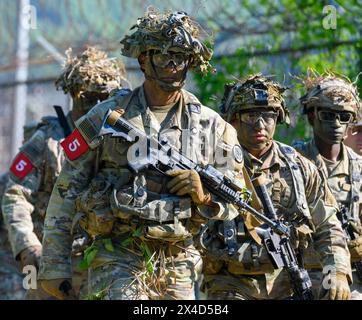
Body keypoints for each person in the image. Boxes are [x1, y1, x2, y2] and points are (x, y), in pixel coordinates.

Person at [38, 9, 243, 300]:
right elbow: (68, 187)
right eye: (163, 55)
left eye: (180, 56)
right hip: (117, 254)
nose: (172, 64)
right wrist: (54, 264)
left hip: (179, 259)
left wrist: (204, 196)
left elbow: (237, 199)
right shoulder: (106, 116)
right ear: (144, 60)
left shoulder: (213, 126)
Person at [202, 74, 351, 300]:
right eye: (251, 115)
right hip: (230, 284)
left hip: (287, 284)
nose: (260, 124)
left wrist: (337, 273)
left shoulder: (299, 167)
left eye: (268, 116)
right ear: (234, 119)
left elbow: (328, 226)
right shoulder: (213, 165)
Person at [2, 46, 125, 299]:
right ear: (74, 95)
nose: (97, 107)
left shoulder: (118, 143)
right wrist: (28, 246)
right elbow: (15, 194)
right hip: (50, 260)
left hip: (100, 261)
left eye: (105, 99)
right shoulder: (47, 140)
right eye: (89, 99)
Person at [294, 71, 362, 300]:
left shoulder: (359, 168)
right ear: (312, 116)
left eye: (344, 117)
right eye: (328, 115)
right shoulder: (292, 163)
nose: (336, 123)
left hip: (349, 278)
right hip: (297, 273)